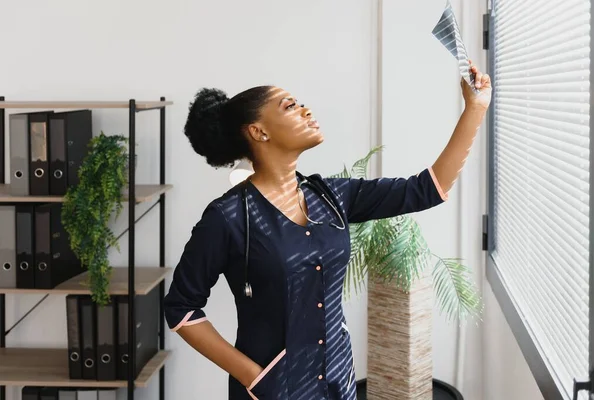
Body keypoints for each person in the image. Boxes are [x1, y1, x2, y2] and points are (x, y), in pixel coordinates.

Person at [164, 61, 492, 400]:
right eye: (290, 106)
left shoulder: (333, 196)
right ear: (259, 131)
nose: (306, 110)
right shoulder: (228, 217)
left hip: (338, 381)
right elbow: (181, 307)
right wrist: (254, 376)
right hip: (273, 391)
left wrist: (476, 108)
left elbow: (427, 189)